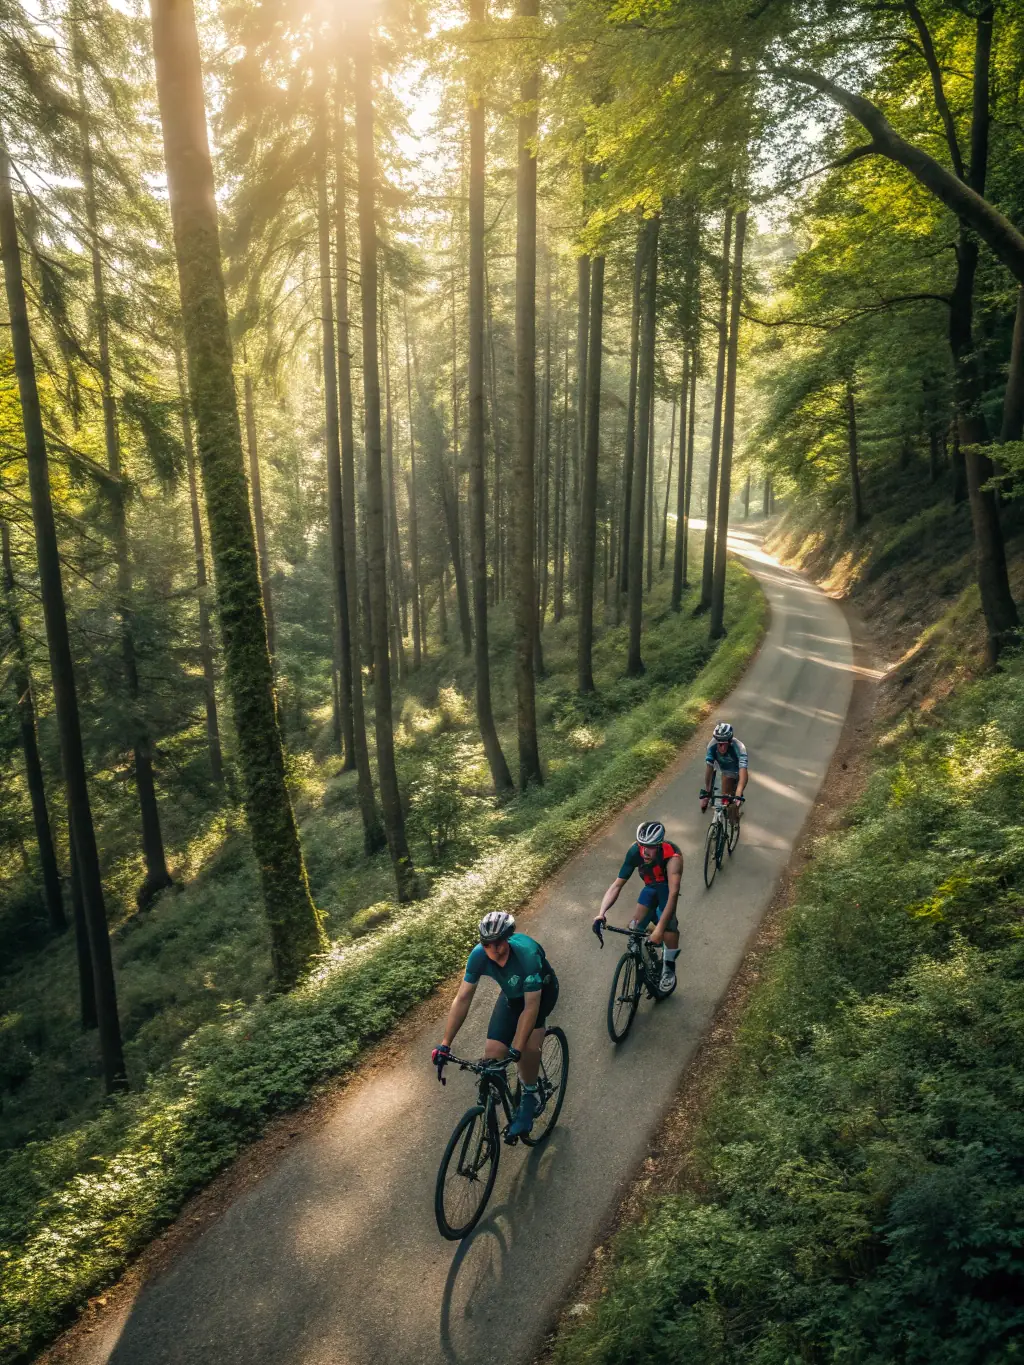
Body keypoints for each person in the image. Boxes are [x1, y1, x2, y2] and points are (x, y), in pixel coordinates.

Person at [432, 911, 559, 1139]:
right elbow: (462, 999)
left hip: (540, 995)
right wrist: (445, 1044)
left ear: (508, 938)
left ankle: (529, 1095)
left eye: (499, 943)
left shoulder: (526, 955)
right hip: (512, 997)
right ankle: (502, 1095)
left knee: (528, 1047)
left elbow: (530, 1008)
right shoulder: (478, 956)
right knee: (492, 1053)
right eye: (487, 945)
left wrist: (517, 1049)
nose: (494, 950)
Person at [593, 820, 682, 994]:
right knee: (634, 927)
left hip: (666, 888)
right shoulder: (635, 851)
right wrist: (601, 913)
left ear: (659, 844)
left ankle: (669, 967)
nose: (646, 851)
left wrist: (660, 931)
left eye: (651, 847)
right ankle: (645, 945)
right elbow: (617, 885)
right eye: (643, 846)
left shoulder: (672, 857)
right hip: (650, 887)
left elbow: (673, 894)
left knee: (669, 926)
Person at [700, 721, 748, 827]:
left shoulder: (739, 747)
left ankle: (734, 816)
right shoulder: (712, 745)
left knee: (732, 800)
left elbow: (743, 774)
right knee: (720, 795)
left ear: (730, 741)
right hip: (721, 768)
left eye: (724, 744)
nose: (721, 747)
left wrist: (738, 795)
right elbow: (709, 768)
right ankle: (719, 817)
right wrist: (707, 791)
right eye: (719, 743)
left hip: (736, 770)